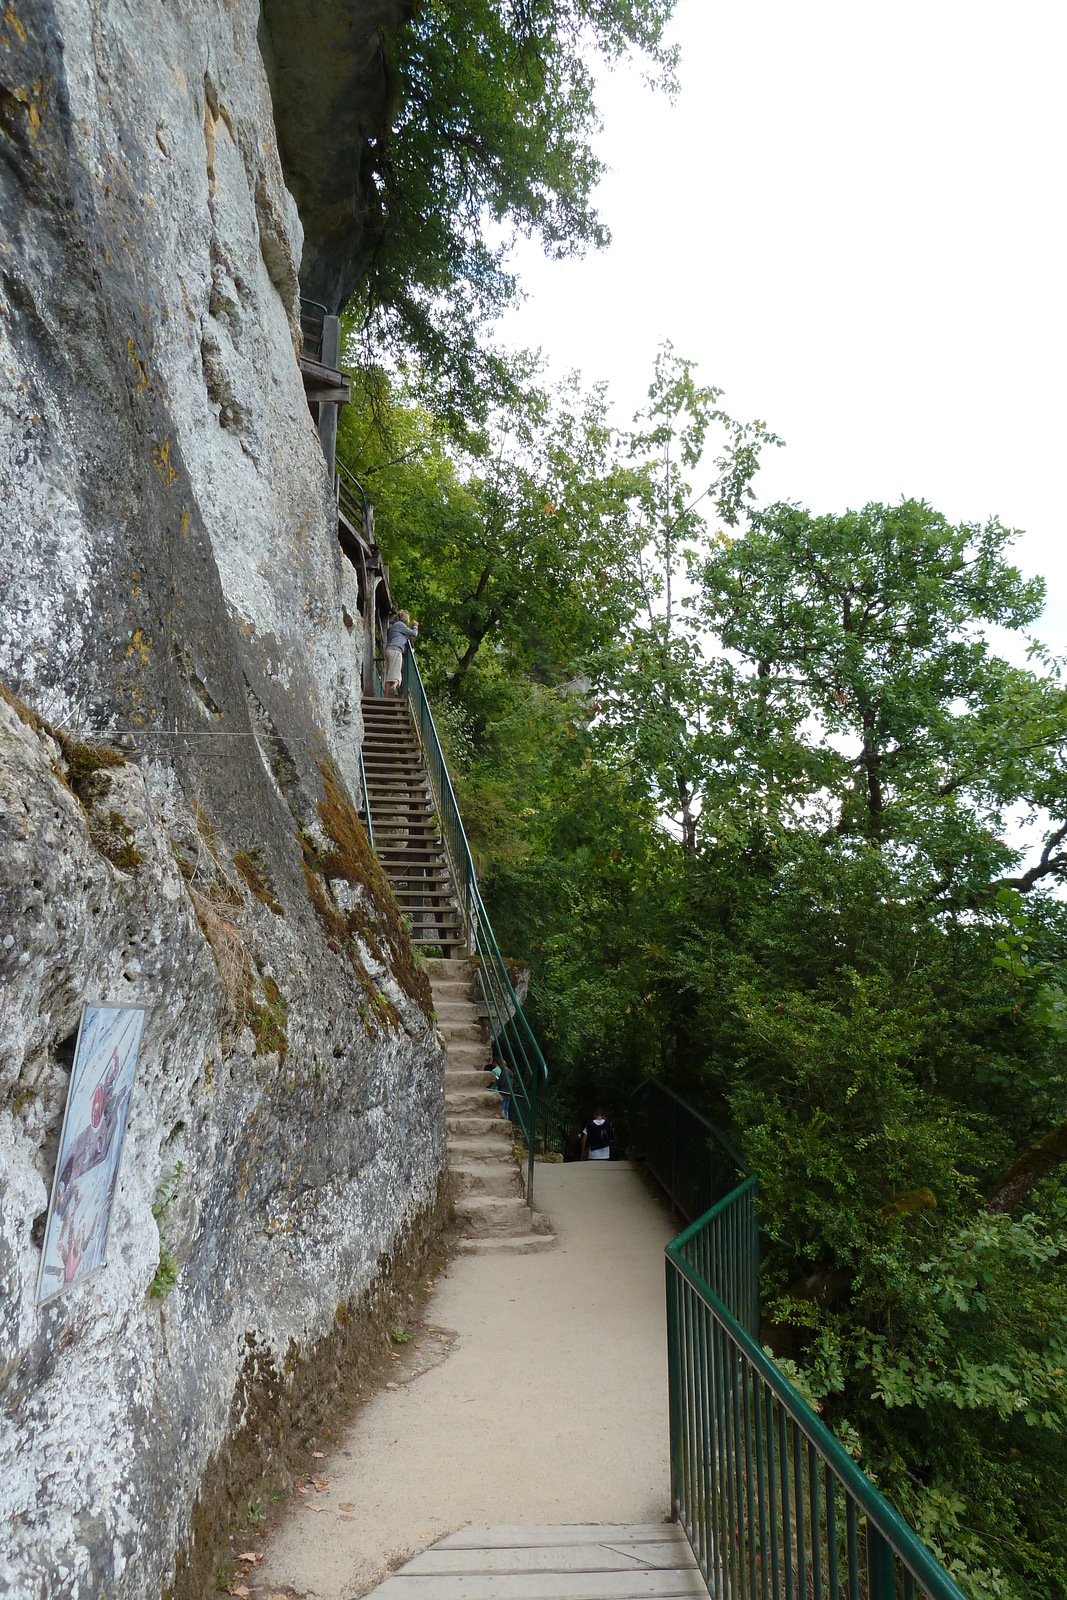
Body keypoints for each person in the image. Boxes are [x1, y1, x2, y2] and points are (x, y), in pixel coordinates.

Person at [383, 610, 418, 696]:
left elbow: (401, 636)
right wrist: (415, 626)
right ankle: (393, 688)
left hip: (388, 651)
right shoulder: (400, 625)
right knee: (397, 677)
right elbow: (414, 633)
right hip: (396, 651)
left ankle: (385, 697)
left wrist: (406, 637)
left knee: (390, 676)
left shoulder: (394, 626)